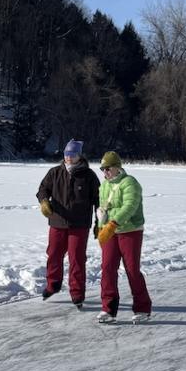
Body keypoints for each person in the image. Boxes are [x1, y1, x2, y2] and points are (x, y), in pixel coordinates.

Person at [36, 139, 100, 308]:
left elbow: (98, 200)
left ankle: (77, 293)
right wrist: (44, 201)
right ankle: (53, 285)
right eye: (66, 154)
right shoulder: (54, 172)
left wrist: (99, 221)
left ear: (79, 156)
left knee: (77, 259)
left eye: (72, 154)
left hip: (79, 225)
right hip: (57, 222)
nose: (68, 158)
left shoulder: (89, 176)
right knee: (54, 254)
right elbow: (42, 190)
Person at [95, 151, 151, 324]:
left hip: (131, 231)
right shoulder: (104, 185)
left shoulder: (130, 183)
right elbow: (103, 208)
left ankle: (142, 308)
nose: (105, 172)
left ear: (117, 167)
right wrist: (100, 228)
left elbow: (130, 206)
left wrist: (113, 223)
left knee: (132, 269)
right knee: (107, 268)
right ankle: (108, 309)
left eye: (108, 168)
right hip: (111, 232)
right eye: (102, 169)